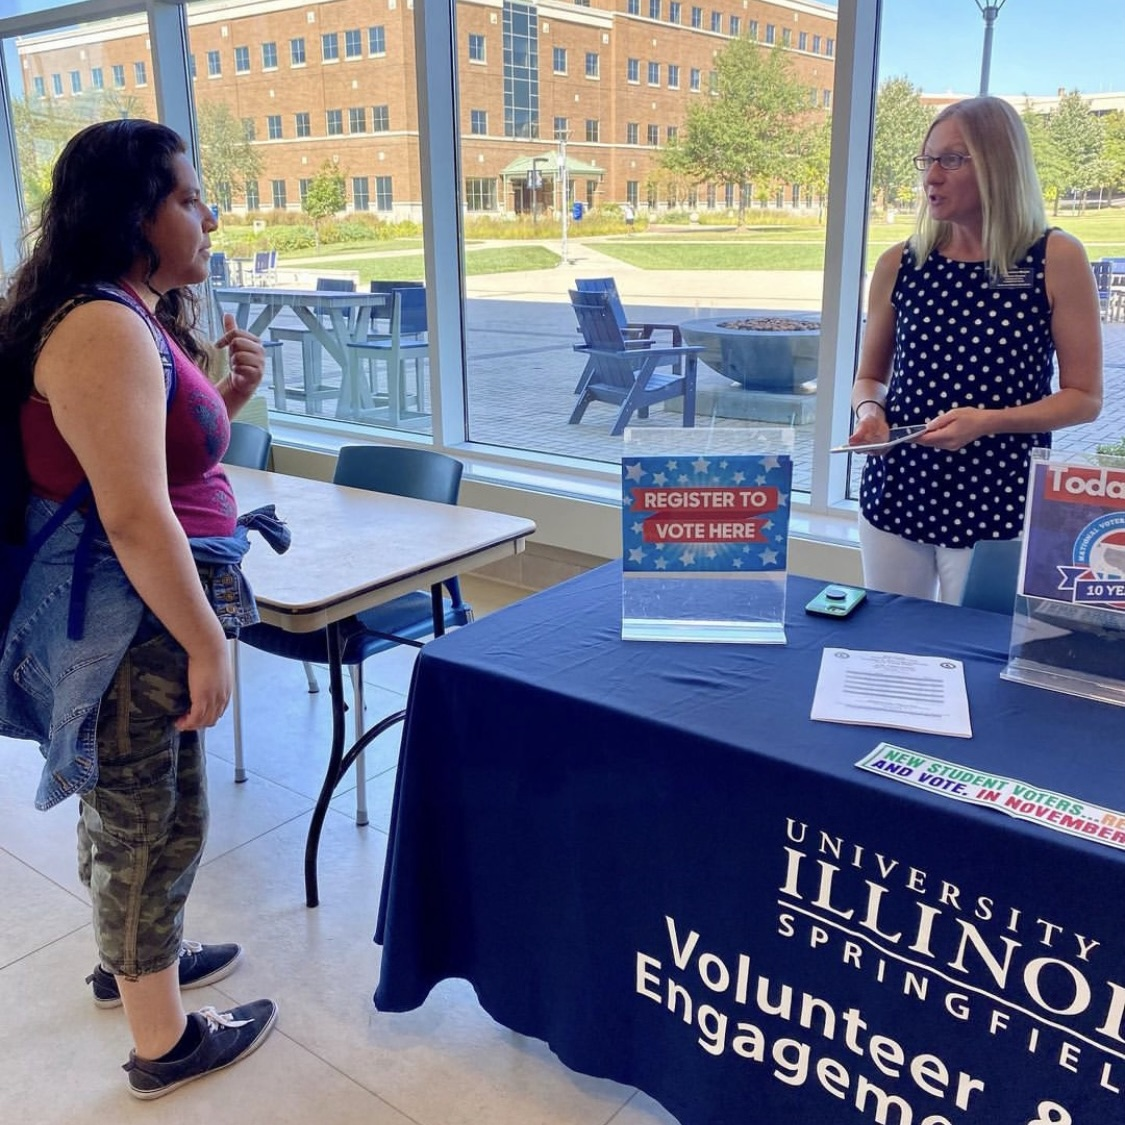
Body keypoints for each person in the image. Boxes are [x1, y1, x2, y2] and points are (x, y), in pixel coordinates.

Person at [0, 119, 278, 1098]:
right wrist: (207, 643)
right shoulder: (102, 325)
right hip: (137, 618)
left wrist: (227, 396)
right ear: (136, 215)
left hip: (151, 603)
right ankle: (162, 1043)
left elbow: (149, 462)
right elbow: (128, 511)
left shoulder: (132, 311)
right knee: (145, 817)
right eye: (191, 198)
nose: (211, 214)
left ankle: (135, 962)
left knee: (144, 802)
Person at [848, 96, 1103, 603]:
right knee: (895, 648)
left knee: (978, 657)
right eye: (927, 160)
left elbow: (1084, 398)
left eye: (952, 159)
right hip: (898, 490)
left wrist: (987, 421)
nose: (931, 177)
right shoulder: (900, 263)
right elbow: (869, 377)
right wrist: (870, 412)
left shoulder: (1056, 257)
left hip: (998, 497)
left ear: (998, 165)